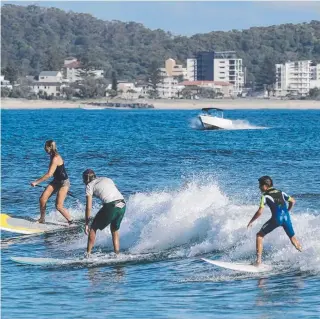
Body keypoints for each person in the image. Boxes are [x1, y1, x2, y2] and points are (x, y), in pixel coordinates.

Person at [247, 176, 302, 265]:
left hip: (276, 219)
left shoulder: (265, 196)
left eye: (260, 185)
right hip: (286, 218)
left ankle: (258, 261)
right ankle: (304, 254)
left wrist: (251, 222)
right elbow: (293, 201)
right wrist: (288, 211)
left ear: (265, 186)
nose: (259, 187)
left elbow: (260, 211)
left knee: (259, 235)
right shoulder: (281, 192)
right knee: (293, 238)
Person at [82, 169, 126, 256]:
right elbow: (112, 192)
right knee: (114, 229)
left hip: (111, 206)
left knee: (93, 227)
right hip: (123, 204)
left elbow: (88, 207)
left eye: (83, 179)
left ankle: (88, 255)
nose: (83, 182)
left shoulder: (89, 186)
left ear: (86, 179)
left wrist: (86, 223)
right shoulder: (106, 179)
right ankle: (117, 254)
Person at [30, 140, 73, 224]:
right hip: (56, 181)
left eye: (45, 147)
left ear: (49, 147)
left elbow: (49, 174)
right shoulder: (52, 155)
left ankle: (71, 221)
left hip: (64, 183)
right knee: (42, 199)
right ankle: (42, 219)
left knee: (58, 206)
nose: (44, 148)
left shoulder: (56, 158)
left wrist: (36, 182)